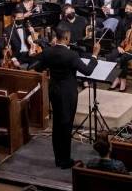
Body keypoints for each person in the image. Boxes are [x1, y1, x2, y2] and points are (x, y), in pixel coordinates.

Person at [35, 27, 99, 169]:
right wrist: (94, 55)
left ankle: (59, 158)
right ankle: (65, 161)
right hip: (68, 93)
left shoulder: (47, 52)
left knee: (57, 125)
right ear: (66, 38)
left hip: (54, 91)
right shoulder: (71, 55)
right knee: (66, 125)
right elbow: (87, 71)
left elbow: (38, 68)